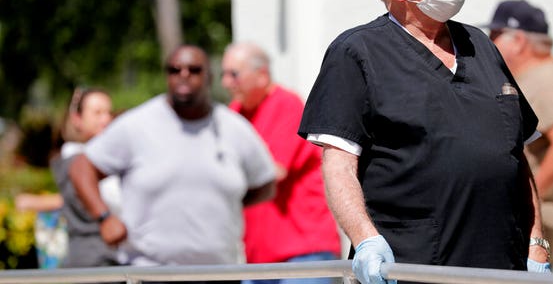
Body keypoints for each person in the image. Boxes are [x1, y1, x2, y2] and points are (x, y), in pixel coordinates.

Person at [297, 0, 551, 283]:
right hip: (414, 266)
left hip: (501, 266)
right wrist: (366, 239)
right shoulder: (358, 52)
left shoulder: (480, 46)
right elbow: (339, 164)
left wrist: (536, 241)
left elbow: (516, 157)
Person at [69, 44, 276, 284]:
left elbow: (266, 183)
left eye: (194, 69)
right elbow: (82, 166)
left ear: (209, 76)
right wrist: (104, 217)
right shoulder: (137, 124)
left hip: (222, 274)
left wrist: (225, 199)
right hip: (149, 274)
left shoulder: (233, 128)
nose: (184, 75)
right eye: (174, 69)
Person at [220, 42, 341, 284]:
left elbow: (273, 171)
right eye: (223, 74)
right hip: (258, 259)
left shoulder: (286, 104)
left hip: (304, 254)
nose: (226, 82)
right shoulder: (234, 114)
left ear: (262, 75)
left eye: (234, 74)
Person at [486, 0, 553, 265]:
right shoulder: (536, 77)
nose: (489, 41)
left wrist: (525, 200)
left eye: (495, 35)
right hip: (525, 228)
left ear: (518, 40)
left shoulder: (547, 81)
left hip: (530, 231)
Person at [53, 87, 122, 268]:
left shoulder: (104, 158)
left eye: (108, 112)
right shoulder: (74, 160)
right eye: (97, 113)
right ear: (77, 118)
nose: (106, 119)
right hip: (94, 261)